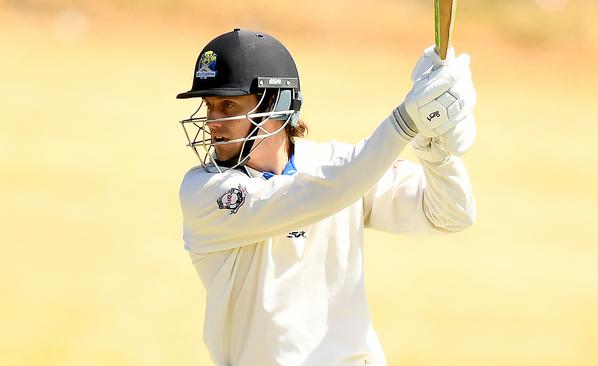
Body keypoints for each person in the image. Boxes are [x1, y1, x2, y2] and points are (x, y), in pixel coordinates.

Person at [177, 28, 477, 366]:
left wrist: (436, 149)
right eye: (209, 105)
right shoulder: (205, 193)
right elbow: (328, 191)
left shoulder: (340, 165)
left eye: (227, 105)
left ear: (277, 104)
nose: (212, 120)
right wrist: (408, 121)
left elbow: (451, 214)